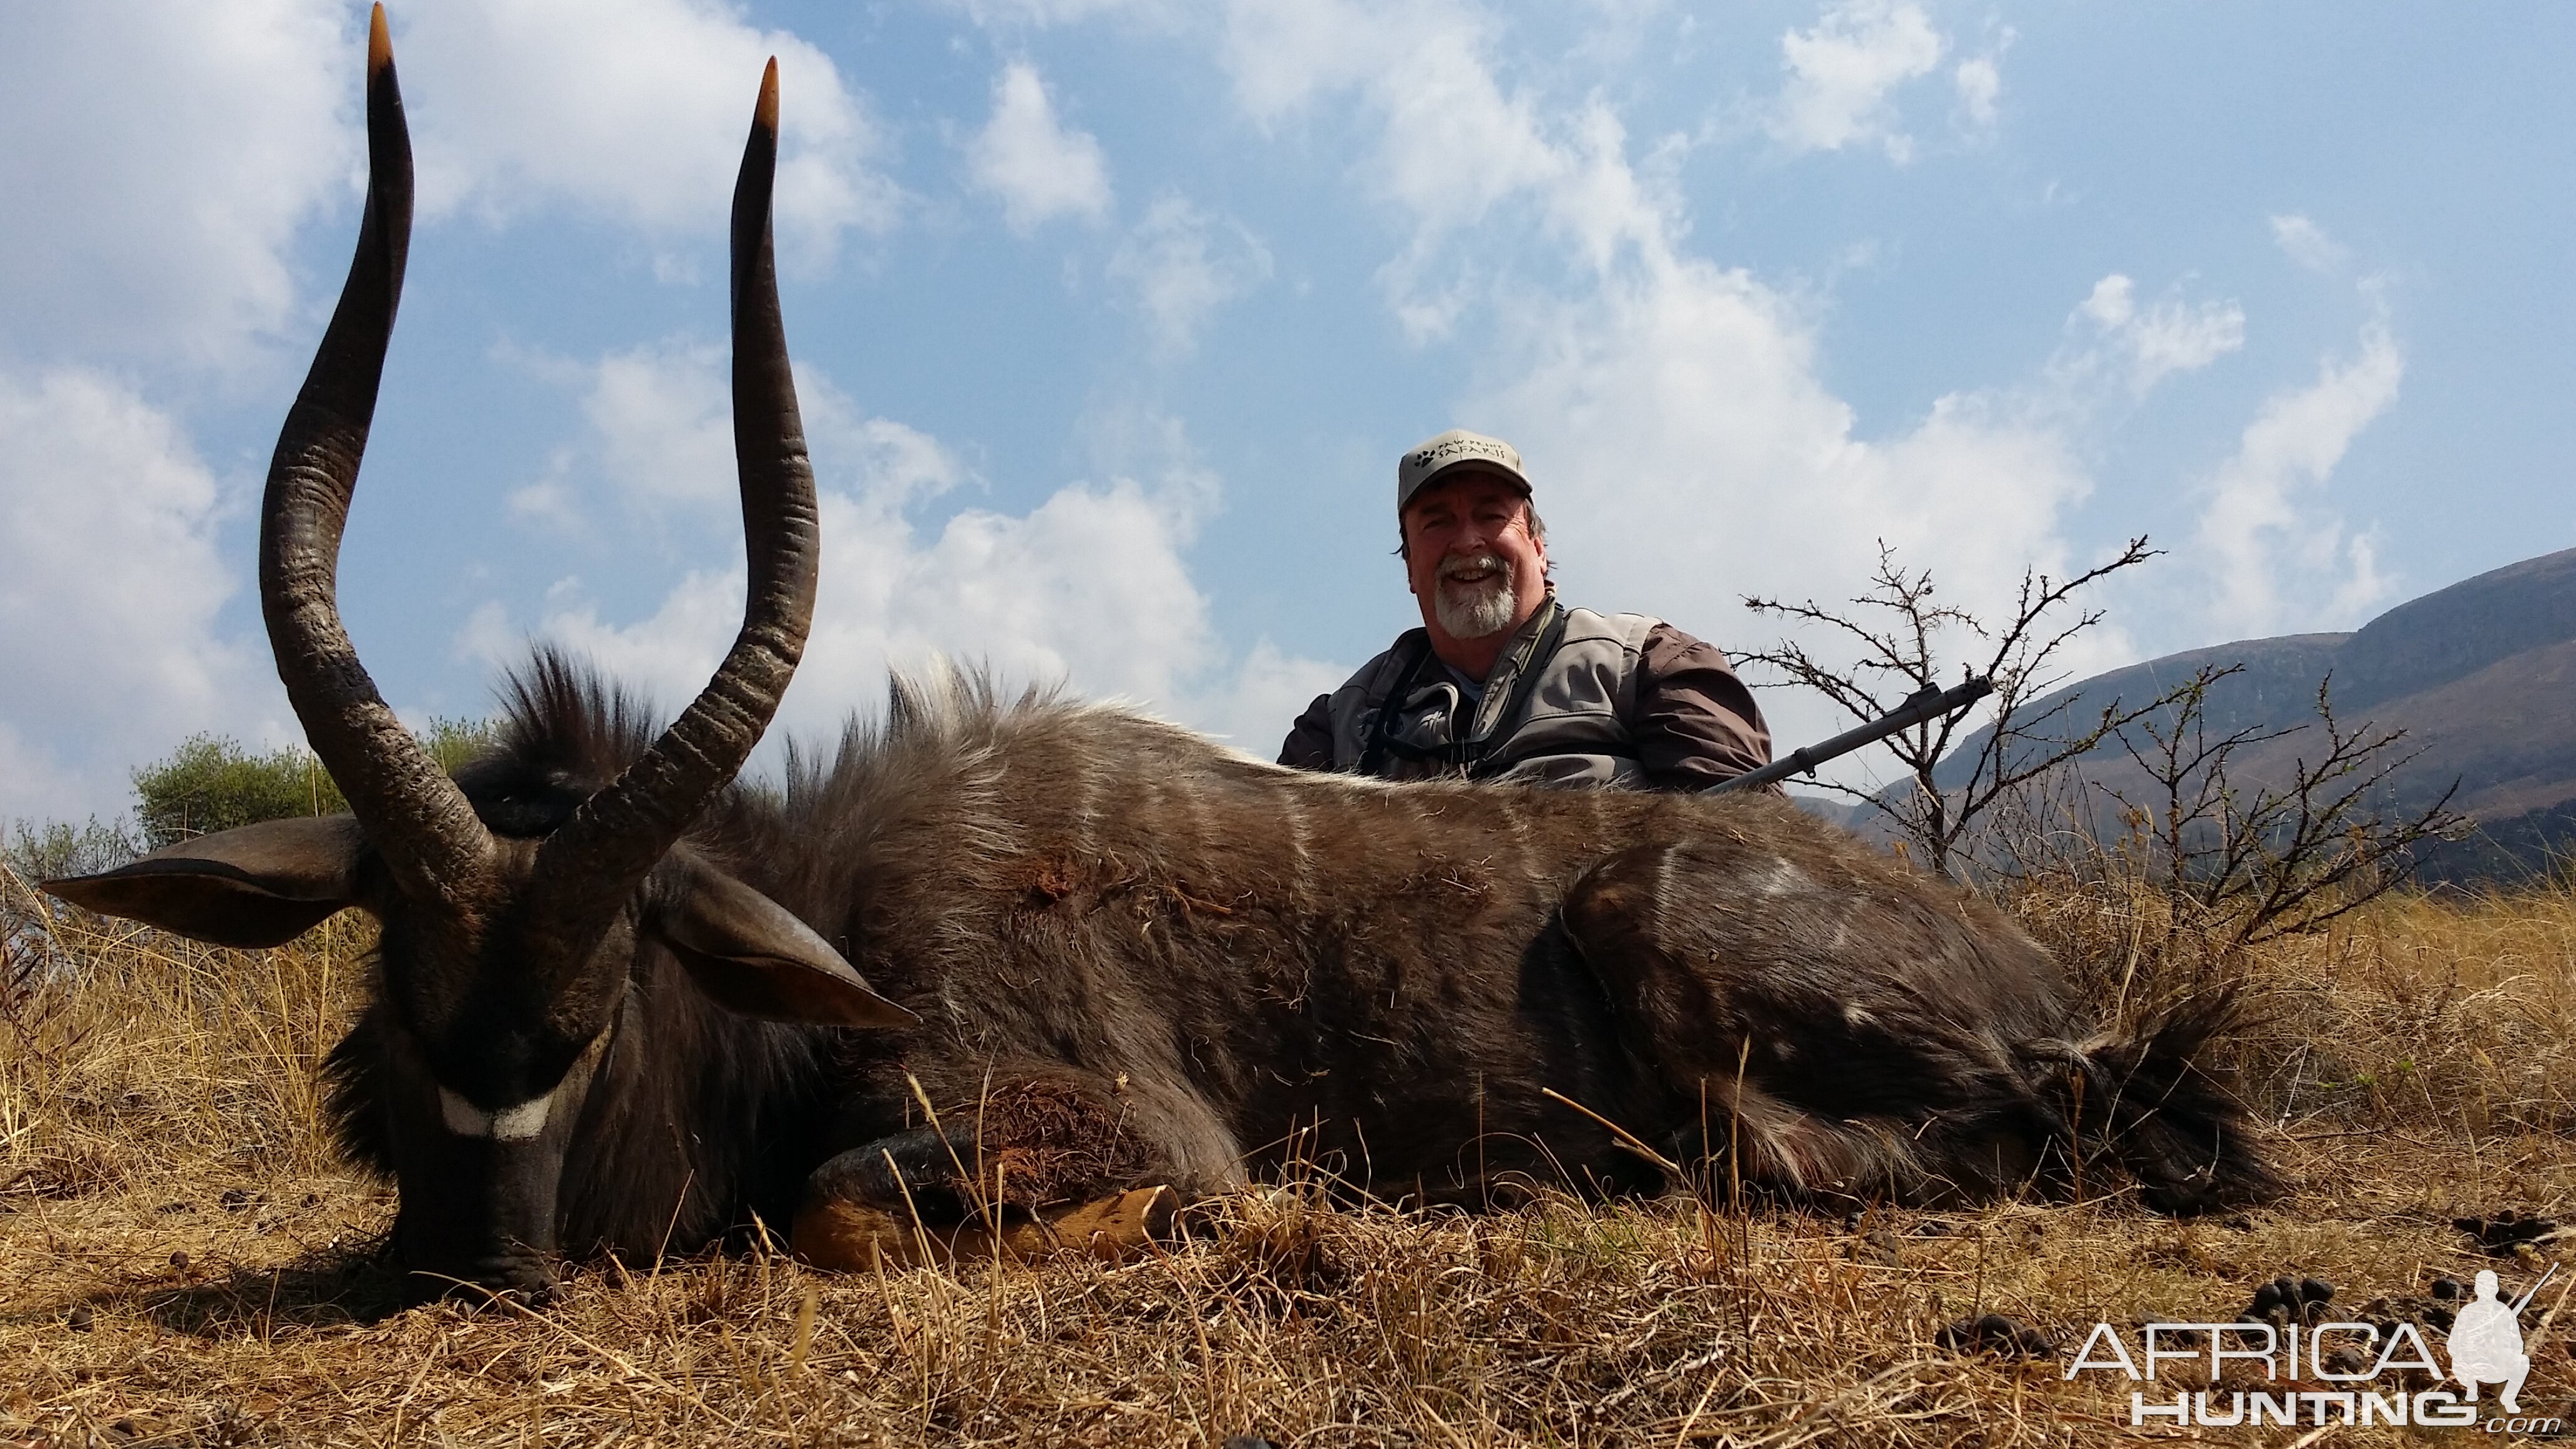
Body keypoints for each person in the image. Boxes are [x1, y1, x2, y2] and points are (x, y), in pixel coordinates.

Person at [1279, 428, 1772, 790]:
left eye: (1492, 515)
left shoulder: (1652, 665)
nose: (1468, 541)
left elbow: (1744, 853)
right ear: (1410, 565)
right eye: (1437, 523)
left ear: (1538, 545)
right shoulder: (1338, 724)